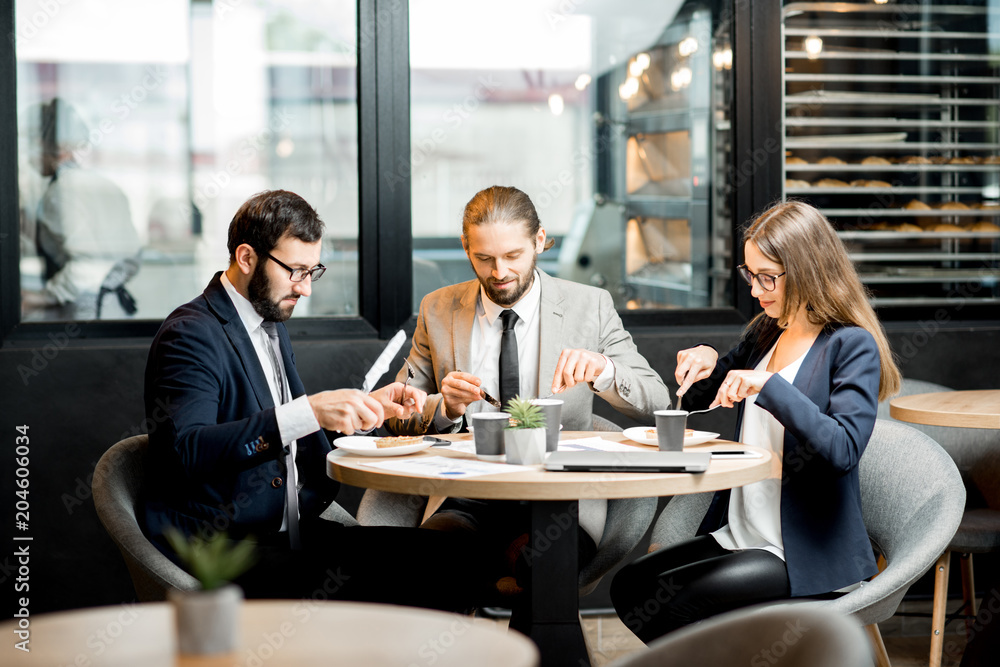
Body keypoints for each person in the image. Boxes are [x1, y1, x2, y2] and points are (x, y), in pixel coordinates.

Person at [142, 189, 496, 611]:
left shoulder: (266, 320)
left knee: (456, 557)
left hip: (294, 534)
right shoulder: (191, 334)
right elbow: (186, 451)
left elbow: (288, 432)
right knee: (430, 575)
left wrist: (367, 410)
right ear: (246, 258)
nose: (306, 289)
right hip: (229, 549)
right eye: (295, 271)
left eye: (313, 271)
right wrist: (309, 410)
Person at [610, 200, 902, 643]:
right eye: (751, 275)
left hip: (799, 553)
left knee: (671, 606)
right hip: (742, 534)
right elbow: (704, 395)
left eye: (768, 277)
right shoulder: (768, 329)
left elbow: (843, 449)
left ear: (806, 270)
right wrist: (706, 358)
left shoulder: (849, 344)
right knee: (630, 587)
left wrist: (769, 386)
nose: (756, 290)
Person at [384, 185, 671, 591]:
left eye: (513, 256)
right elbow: (398, 415)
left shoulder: (590, 306)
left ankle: (542, 652)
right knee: (432, 563)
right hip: (468, 494)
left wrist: (604, 370)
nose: (499, 272)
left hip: (560, 497)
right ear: (466, 247)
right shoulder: (438, 308)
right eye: (484, 258)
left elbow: (656, 402)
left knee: (544, 568)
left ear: (539, 241)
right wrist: (445, 408)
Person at [21, 98, 142, 320]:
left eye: (31, 143)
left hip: (83, 313)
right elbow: (132, 257)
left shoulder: (61, 192)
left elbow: (87, 265)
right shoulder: (104, 185)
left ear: (47, 145)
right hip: (112, 311)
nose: (28, 155)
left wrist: (41, 297)